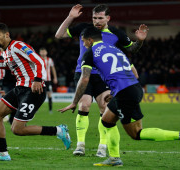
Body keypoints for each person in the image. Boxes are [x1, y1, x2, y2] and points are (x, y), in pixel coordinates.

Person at [59, 27, 180, 166]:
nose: (83, 44)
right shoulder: (115, 49)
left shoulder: (90, 53)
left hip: (125, 93)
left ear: (90, 40)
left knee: (136, 133)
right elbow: (133, 73)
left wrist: (74, 102)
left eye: (83, 41)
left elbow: (84, 79)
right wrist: (116, 91)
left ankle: (177, 135)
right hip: (134, 88)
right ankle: (114, 158)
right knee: (106, 120)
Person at [55, 4, 147, 156]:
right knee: (84, 105)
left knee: (104, 109)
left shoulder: (117, 33)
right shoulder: (84, 28)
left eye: (100, 18)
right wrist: (71, 17)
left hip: (104, 75)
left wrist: (140, 41)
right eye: (94, 18)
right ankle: (80, 145)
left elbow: (132, 49)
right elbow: (59, 35)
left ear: (108, 18)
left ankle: (102, 147)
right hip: (83, 72)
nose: (96, 21)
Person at [0, 23, 71, 161]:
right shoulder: (5, 51)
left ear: (7, 35)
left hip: (33, 90)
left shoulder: (17, 46)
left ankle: (59, 131)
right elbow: (7, 65)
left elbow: (39, 61)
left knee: (17, 129)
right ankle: (3, 154)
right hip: (20, 89)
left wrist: (37, 79)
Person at [39, 47, 58, 113]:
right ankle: (35, 109)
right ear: (40, 53)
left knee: (49, 94)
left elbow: (53, 69)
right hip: (40, 80)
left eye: (44, 51)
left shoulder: (49, 60)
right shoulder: (38, 59)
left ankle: (50, 110)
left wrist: (55, 78)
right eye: (42, 52)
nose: (43, 53)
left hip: (48, 80)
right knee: (38, 94)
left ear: (46, 52)